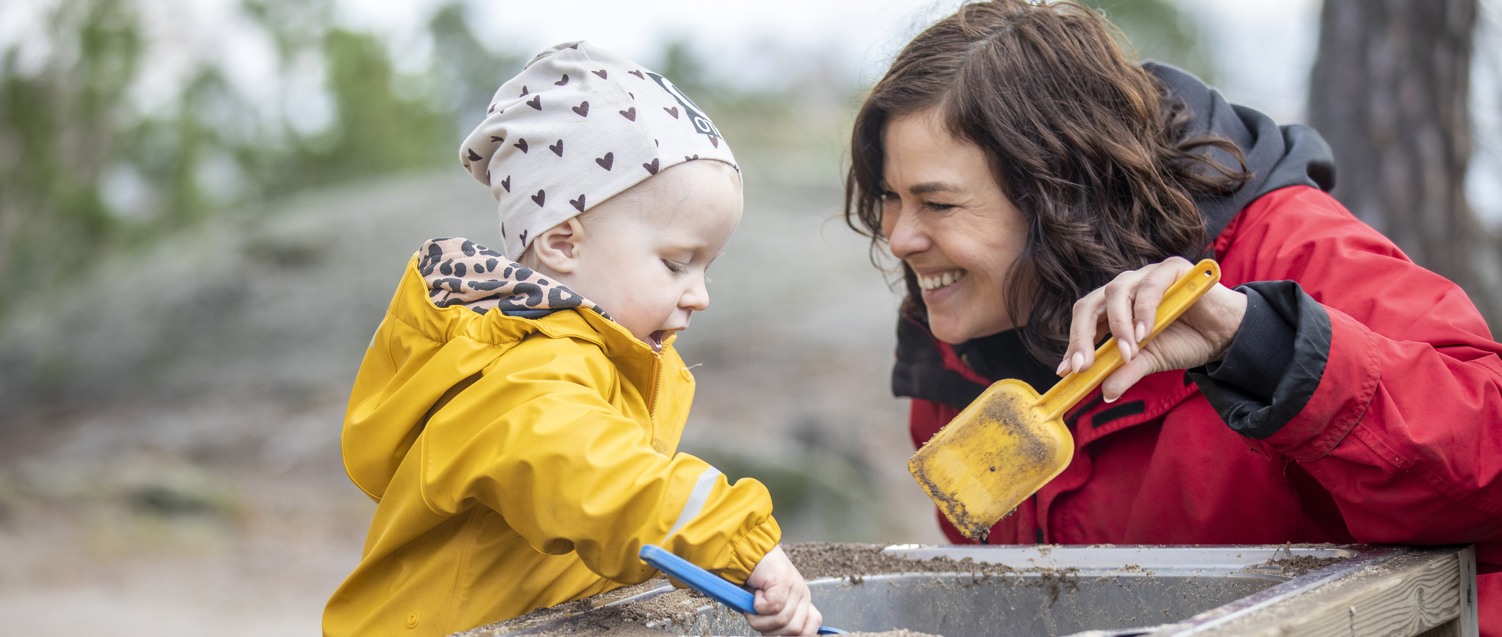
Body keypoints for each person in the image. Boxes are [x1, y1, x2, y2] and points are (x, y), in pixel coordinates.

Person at [843, 1, 1502, 634]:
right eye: (891, 199)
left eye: (938, 204)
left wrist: (1260, 346)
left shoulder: (1290, 251)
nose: (899, 237)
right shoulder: (959, 341)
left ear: (1057, 191)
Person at [322, 41, 823, 637]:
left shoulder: (595, 360)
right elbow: (597, 475)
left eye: (706, 268)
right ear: (563, 243)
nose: (699, 295)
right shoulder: (521, 370)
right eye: (675, 263)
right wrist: (736, 540)